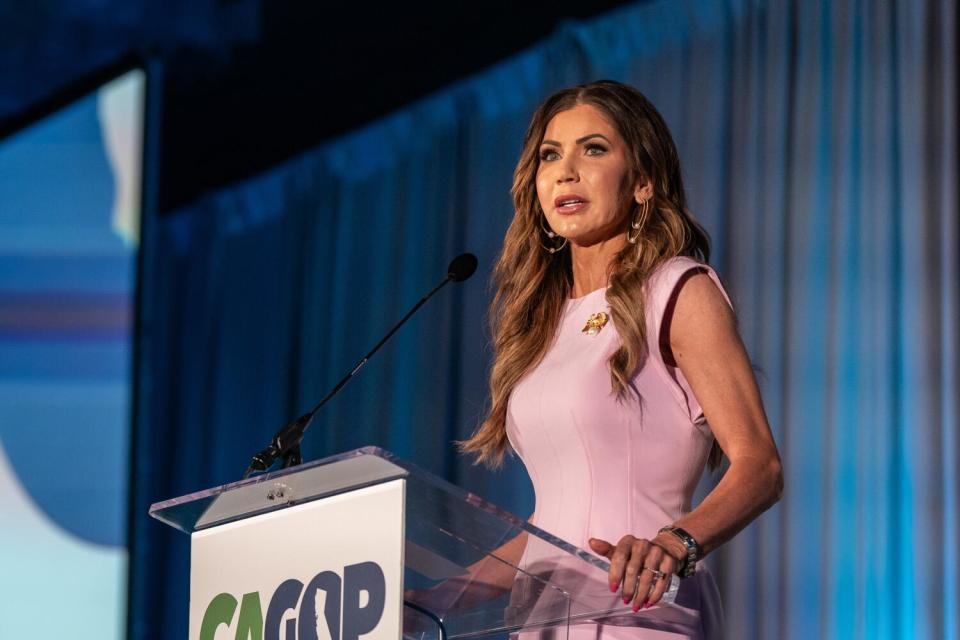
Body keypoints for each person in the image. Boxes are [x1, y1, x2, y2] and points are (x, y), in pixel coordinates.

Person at [458, 80, 784, 638]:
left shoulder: (679, 289)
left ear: (642, 183)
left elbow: (760, 465)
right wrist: (433, 595)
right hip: (541, 620)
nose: (566, 171)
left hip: (638, 608)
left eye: (594, 149)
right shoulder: (542, 324)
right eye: (550, 155)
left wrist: (672, 544)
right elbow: (556, 524)